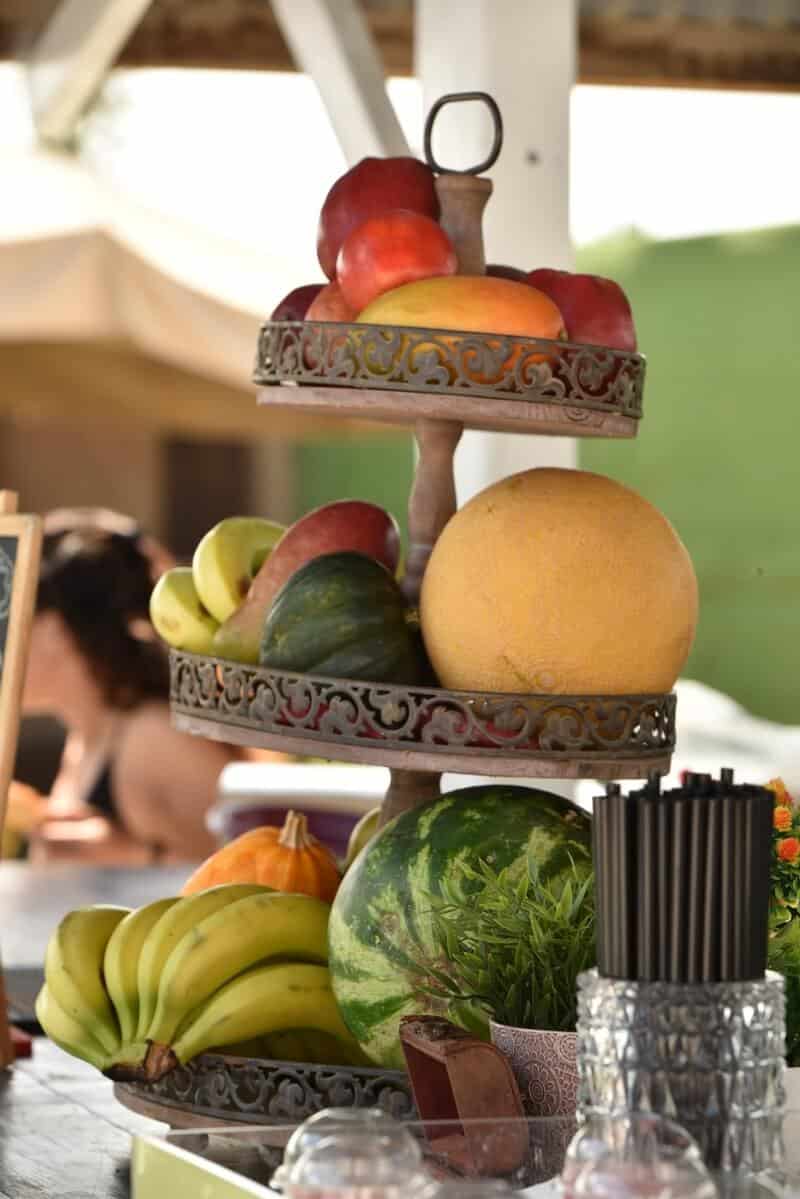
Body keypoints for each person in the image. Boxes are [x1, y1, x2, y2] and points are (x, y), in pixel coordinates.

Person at [6, 508, 239, 865]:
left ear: (53, 630)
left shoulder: (153, 738)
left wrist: (136, 856)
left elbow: (254, 867)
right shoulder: (90, 735)